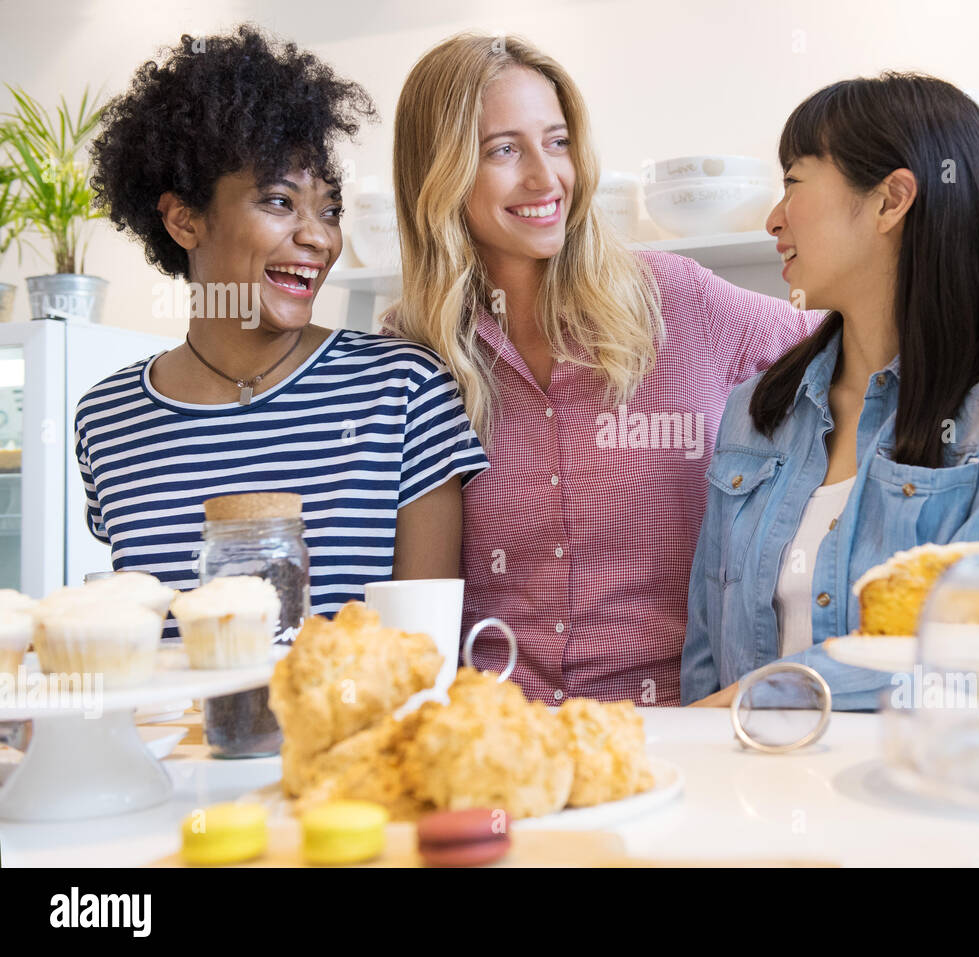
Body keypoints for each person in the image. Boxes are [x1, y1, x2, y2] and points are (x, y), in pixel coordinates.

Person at [388, 32, 822, 705]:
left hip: (684, 736)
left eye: (557, 142)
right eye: (504, 149)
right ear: (438, 170)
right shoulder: (415, 350)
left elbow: (865, 348)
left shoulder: (676, 298)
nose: (545, 177)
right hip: (504, 747)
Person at [682, 73, 979, 710]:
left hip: (907, 794)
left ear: (891, 201)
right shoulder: (756, 411)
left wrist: (747, 703)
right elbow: (705, 649)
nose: (773, 218)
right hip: (743, 795)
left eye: (793, 181)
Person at [78, 25, 487, 631]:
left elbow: (421, 658)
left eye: (329, 210)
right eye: (278, 201)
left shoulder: (403, 391)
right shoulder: (107, 420)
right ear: (185, 220)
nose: (317, 237)